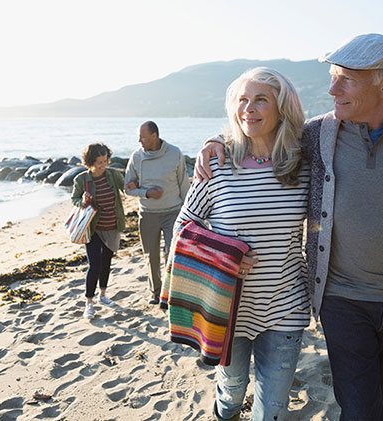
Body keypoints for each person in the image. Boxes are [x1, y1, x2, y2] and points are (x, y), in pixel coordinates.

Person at [196, 33, 383, 420]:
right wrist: (215, 140)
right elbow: (261, 133)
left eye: (346, 79)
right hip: (340, 299)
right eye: (333, 76)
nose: (332, 89)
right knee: (360, 408)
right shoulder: (318, 135)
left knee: (378, 399)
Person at [178, 67, 310, 421]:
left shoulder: (303, 164)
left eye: (261, 100)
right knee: (232, 393)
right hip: (228, 309)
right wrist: (224, 257)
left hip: (286, 306)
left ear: (282, 108)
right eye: (242, 100)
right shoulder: (218, 165)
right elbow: (183, 226)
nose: (249, 108)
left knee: (273, 408)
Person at [124, 121, 191, 305]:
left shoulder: (175, 153)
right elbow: (127, 188)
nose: (139, 140)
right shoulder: (136, 157)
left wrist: (189, 214)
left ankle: (171, 292)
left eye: (143, 136)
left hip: (173, 212)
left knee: (173, 253)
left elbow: (183, 184)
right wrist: (145, 192)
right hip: (148, 214)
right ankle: (155, 293)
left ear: (155, 136)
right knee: (151, 255)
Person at [71, 143, 126, 319]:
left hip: (112, 226)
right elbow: (75, 200)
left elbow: (128, 188)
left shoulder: (113, 175)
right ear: (90, 162)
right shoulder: (81, 179)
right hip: (92, 228)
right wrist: (83, 202)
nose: (103, 165)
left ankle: (103, 295)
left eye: (105, 161)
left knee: (106, 263)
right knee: (94, 266)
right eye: (99, 162)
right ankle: (89, 303)